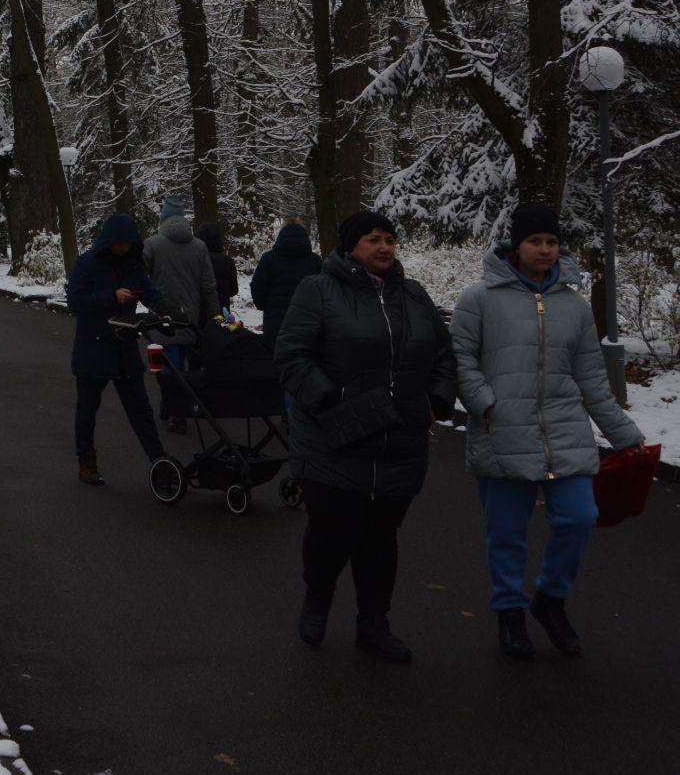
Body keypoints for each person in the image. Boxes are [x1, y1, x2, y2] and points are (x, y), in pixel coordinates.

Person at [452, 201, 645, 659]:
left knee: (580, 516)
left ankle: (551, 600)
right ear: (516, 246)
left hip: (564, 428)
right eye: (535, 241)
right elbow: (460, 359)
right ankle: (510, 613)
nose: (544, 250)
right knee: (507, 532)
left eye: (551, 242)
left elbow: (592, 378)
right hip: (502, 430)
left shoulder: (574, 306)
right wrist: (485, 404)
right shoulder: (478, 298)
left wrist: (624, 434)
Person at [275, 209, 456, 664]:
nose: (384, 247)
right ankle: (318, 598)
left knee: (381, 540)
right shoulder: (317, 290)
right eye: (373, 238)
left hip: (399, 444)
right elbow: (292, 355)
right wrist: (332, 399)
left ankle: (374, 624)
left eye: (390, 239)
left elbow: (444, 353)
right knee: (332, 534)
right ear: (351, 245)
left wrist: (437, 398)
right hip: (334, 440)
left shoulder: (414, 295)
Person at [64, 213, 170, 486]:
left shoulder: (134, 266)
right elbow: (75, 300)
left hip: (124, 347)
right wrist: (111, 296)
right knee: (87, 409)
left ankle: (159, 460)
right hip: (94, 348)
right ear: (108, 241)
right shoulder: (89, 263)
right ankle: (85, 459)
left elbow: (150, 292)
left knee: (140, 408)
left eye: (128, 243)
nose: (123, 248)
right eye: (119, 243)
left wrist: (167, 309)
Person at [144, 194, 219, 368]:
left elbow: (138, 280)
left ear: (164, 218)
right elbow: (209, 287)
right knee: (189, 372)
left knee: (169, 373)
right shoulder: (200, 247)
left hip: (161, 320)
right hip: (189, 319)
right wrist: (216, 318)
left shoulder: (152, 245)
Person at [251, 220, 321, 342]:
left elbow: (258, 287)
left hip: (275, 321)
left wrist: (265, 306)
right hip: (308, 320)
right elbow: (323, 291)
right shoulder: (315, 261)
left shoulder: (268, 258)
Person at [194, 221, 238, 316]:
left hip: (199, 312)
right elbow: (234, 289)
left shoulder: (195, 260)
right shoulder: (228, 261)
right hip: (222, 311)